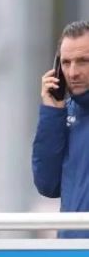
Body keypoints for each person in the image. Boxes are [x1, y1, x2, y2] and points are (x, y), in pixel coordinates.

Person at [34, 20, 89, 238]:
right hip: (70, 252)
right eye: (66, 63)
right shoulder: (61, 114)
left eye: (83, 61)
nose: (73, 72)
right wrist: (52, 112)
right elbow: (48, 185)